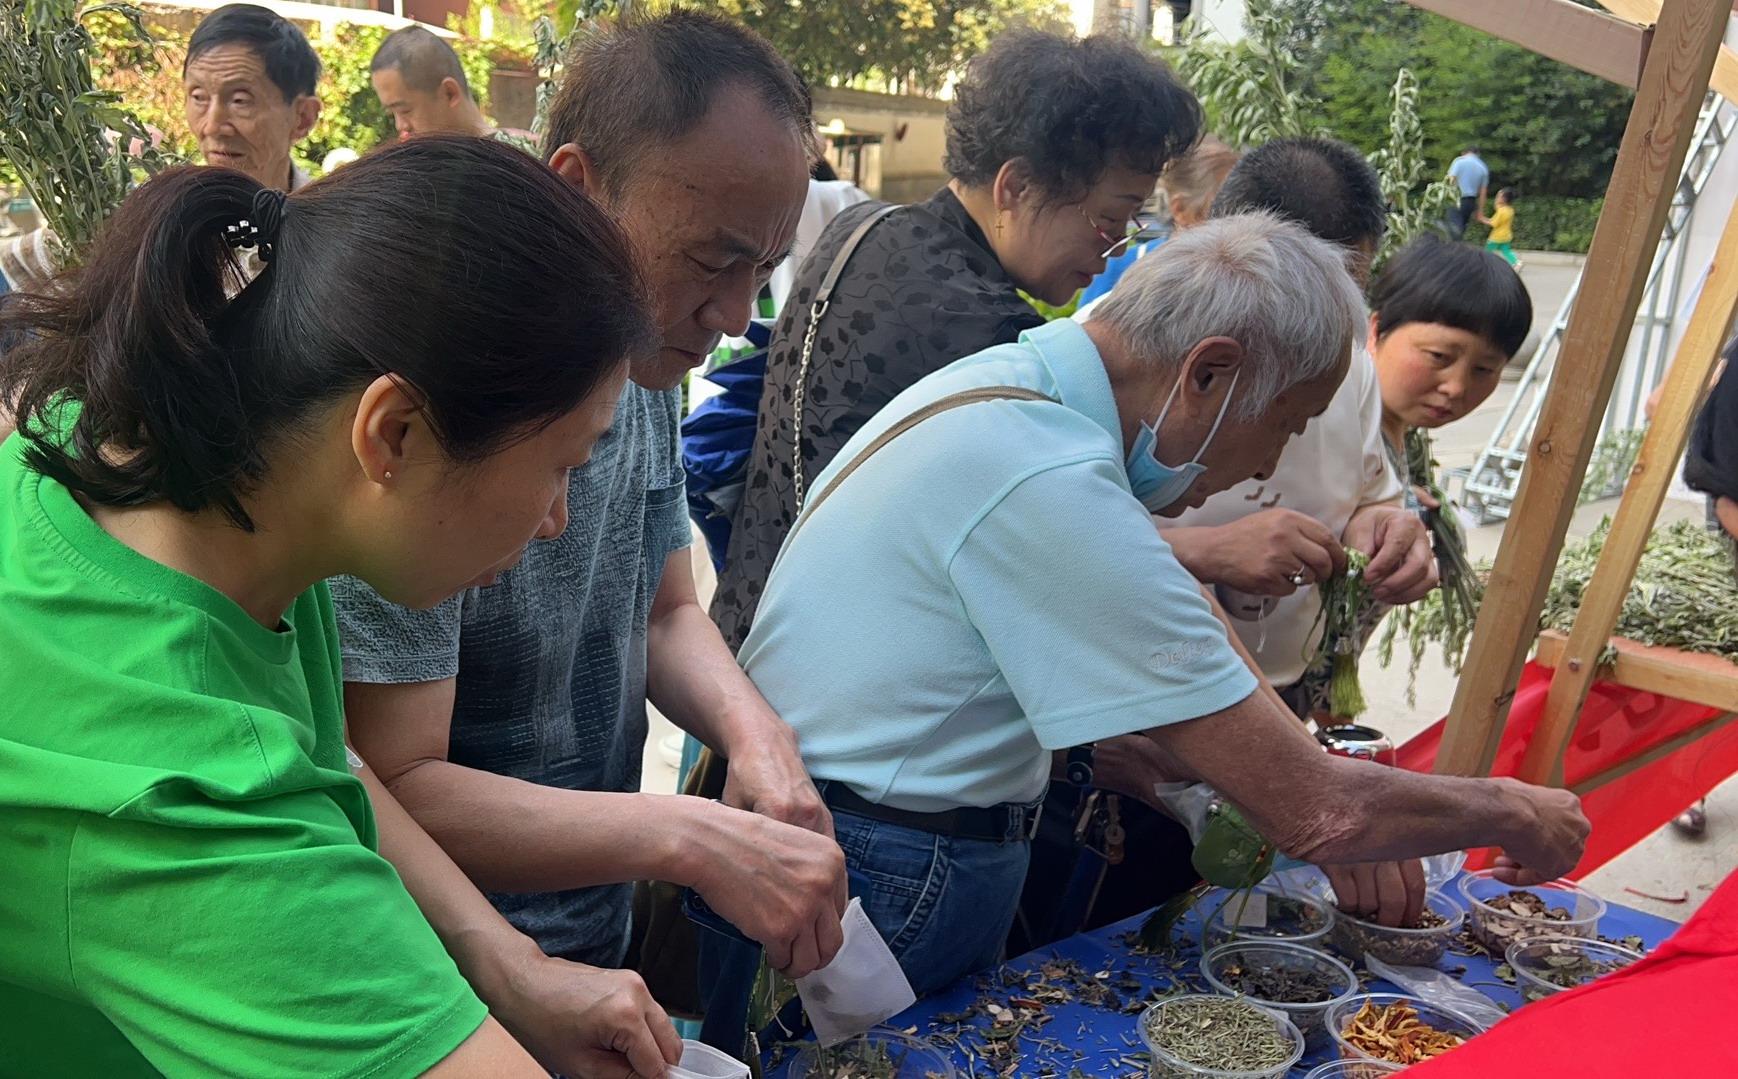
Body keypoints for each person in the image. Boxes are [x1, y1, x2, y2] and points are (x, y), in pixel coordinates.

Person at [738, 212, 1590, 995]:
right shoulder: (1048, 472)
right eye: (1287, 423)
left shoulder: (1017, 385)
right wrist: (1513, 808)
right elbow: (1319, 810)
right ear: (1209, 373)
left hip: (844, 839)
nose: (1266, 465)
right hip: (881, 868)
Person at [0, 138, 678, 1077]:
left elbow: (333, 759)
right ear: (392, 433)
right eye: (562, 464)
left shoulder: (153, 466)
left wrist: (506, 963)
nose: (559, 520)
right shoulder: (190, 802)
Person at [332, 9, 850, 987]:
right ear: (578, 190)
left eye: (763, 272)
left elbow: (664, 611)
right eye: (711, 259)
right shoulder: (451, 395)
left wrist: (758, 738)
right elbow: (386, 778)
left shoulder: (651, 363)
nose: (736, 315)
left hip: (595, 945)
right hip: (449, 977)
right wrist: (682, 833)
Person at [711, 29, 1202, 652]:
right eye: (1110, 217)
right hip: (843, 684)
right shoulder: (996, 340)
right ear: (1016, 187)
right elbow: (1047, 544)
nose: (1114, 245)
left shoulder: (863, 230)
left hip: (747, 631)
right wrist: (1203, 549)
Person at [1165, 138, 1435, 721]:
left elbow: (1370, 498)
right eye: (1312, 292)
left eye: (1350, 290)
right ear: (1229, 252)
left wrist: (1390, 531)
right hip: (1145, 713)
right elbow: (1040, 549)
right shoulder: (1126, 356)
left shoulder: (1352, 368)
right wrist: (1201, 551)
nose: (1335, 319)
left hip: (1282, 694)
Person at [0, 2, 321, 295]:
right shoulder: (142, 216)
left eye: (240, 100)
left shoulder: (330, 234)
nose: (211, 125)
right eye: (198, 97)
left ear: (302, 118)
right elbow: (23, 266)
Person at [1073, 134, 1239, 314]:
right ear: (1181, 209)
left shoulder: (1240, 277)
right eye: (1226, 207)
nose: (1239, 220)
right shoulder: (1119, 270)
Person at [370, 25, 534, 151]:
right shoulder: (423, 166)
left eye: (405, 110)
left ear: (449, 93)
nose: (400, 126)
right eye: (393, 114)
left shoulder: (515, 159)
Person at [1446, 145, 1490, 239]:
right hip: (1470, 201)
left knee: (1453, 228)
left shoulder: (1459, 161)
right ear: (1478, 154)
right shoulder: (1483, 167)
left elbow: (1451, 180)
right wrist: (1480, 212)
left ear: (1464, 152)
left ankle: (1452, 250)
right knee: (1462, 228)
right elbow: (1483, 193)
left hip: (1456, 198)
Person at [1479, 187, 1521, 268]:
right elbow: (1497, 207)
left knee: (1487, 251)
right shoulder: (1510, 210)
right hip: (1507, 236)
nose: (1497, 198)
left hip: (1496, 237)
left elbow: (1493, 223)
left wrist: (1482, 219)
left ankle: (1484, 265)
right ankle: (1517, 262)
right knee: (1506, 251)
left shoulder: (1501, 211)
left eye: (1498, 196)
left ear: (1504, 199)